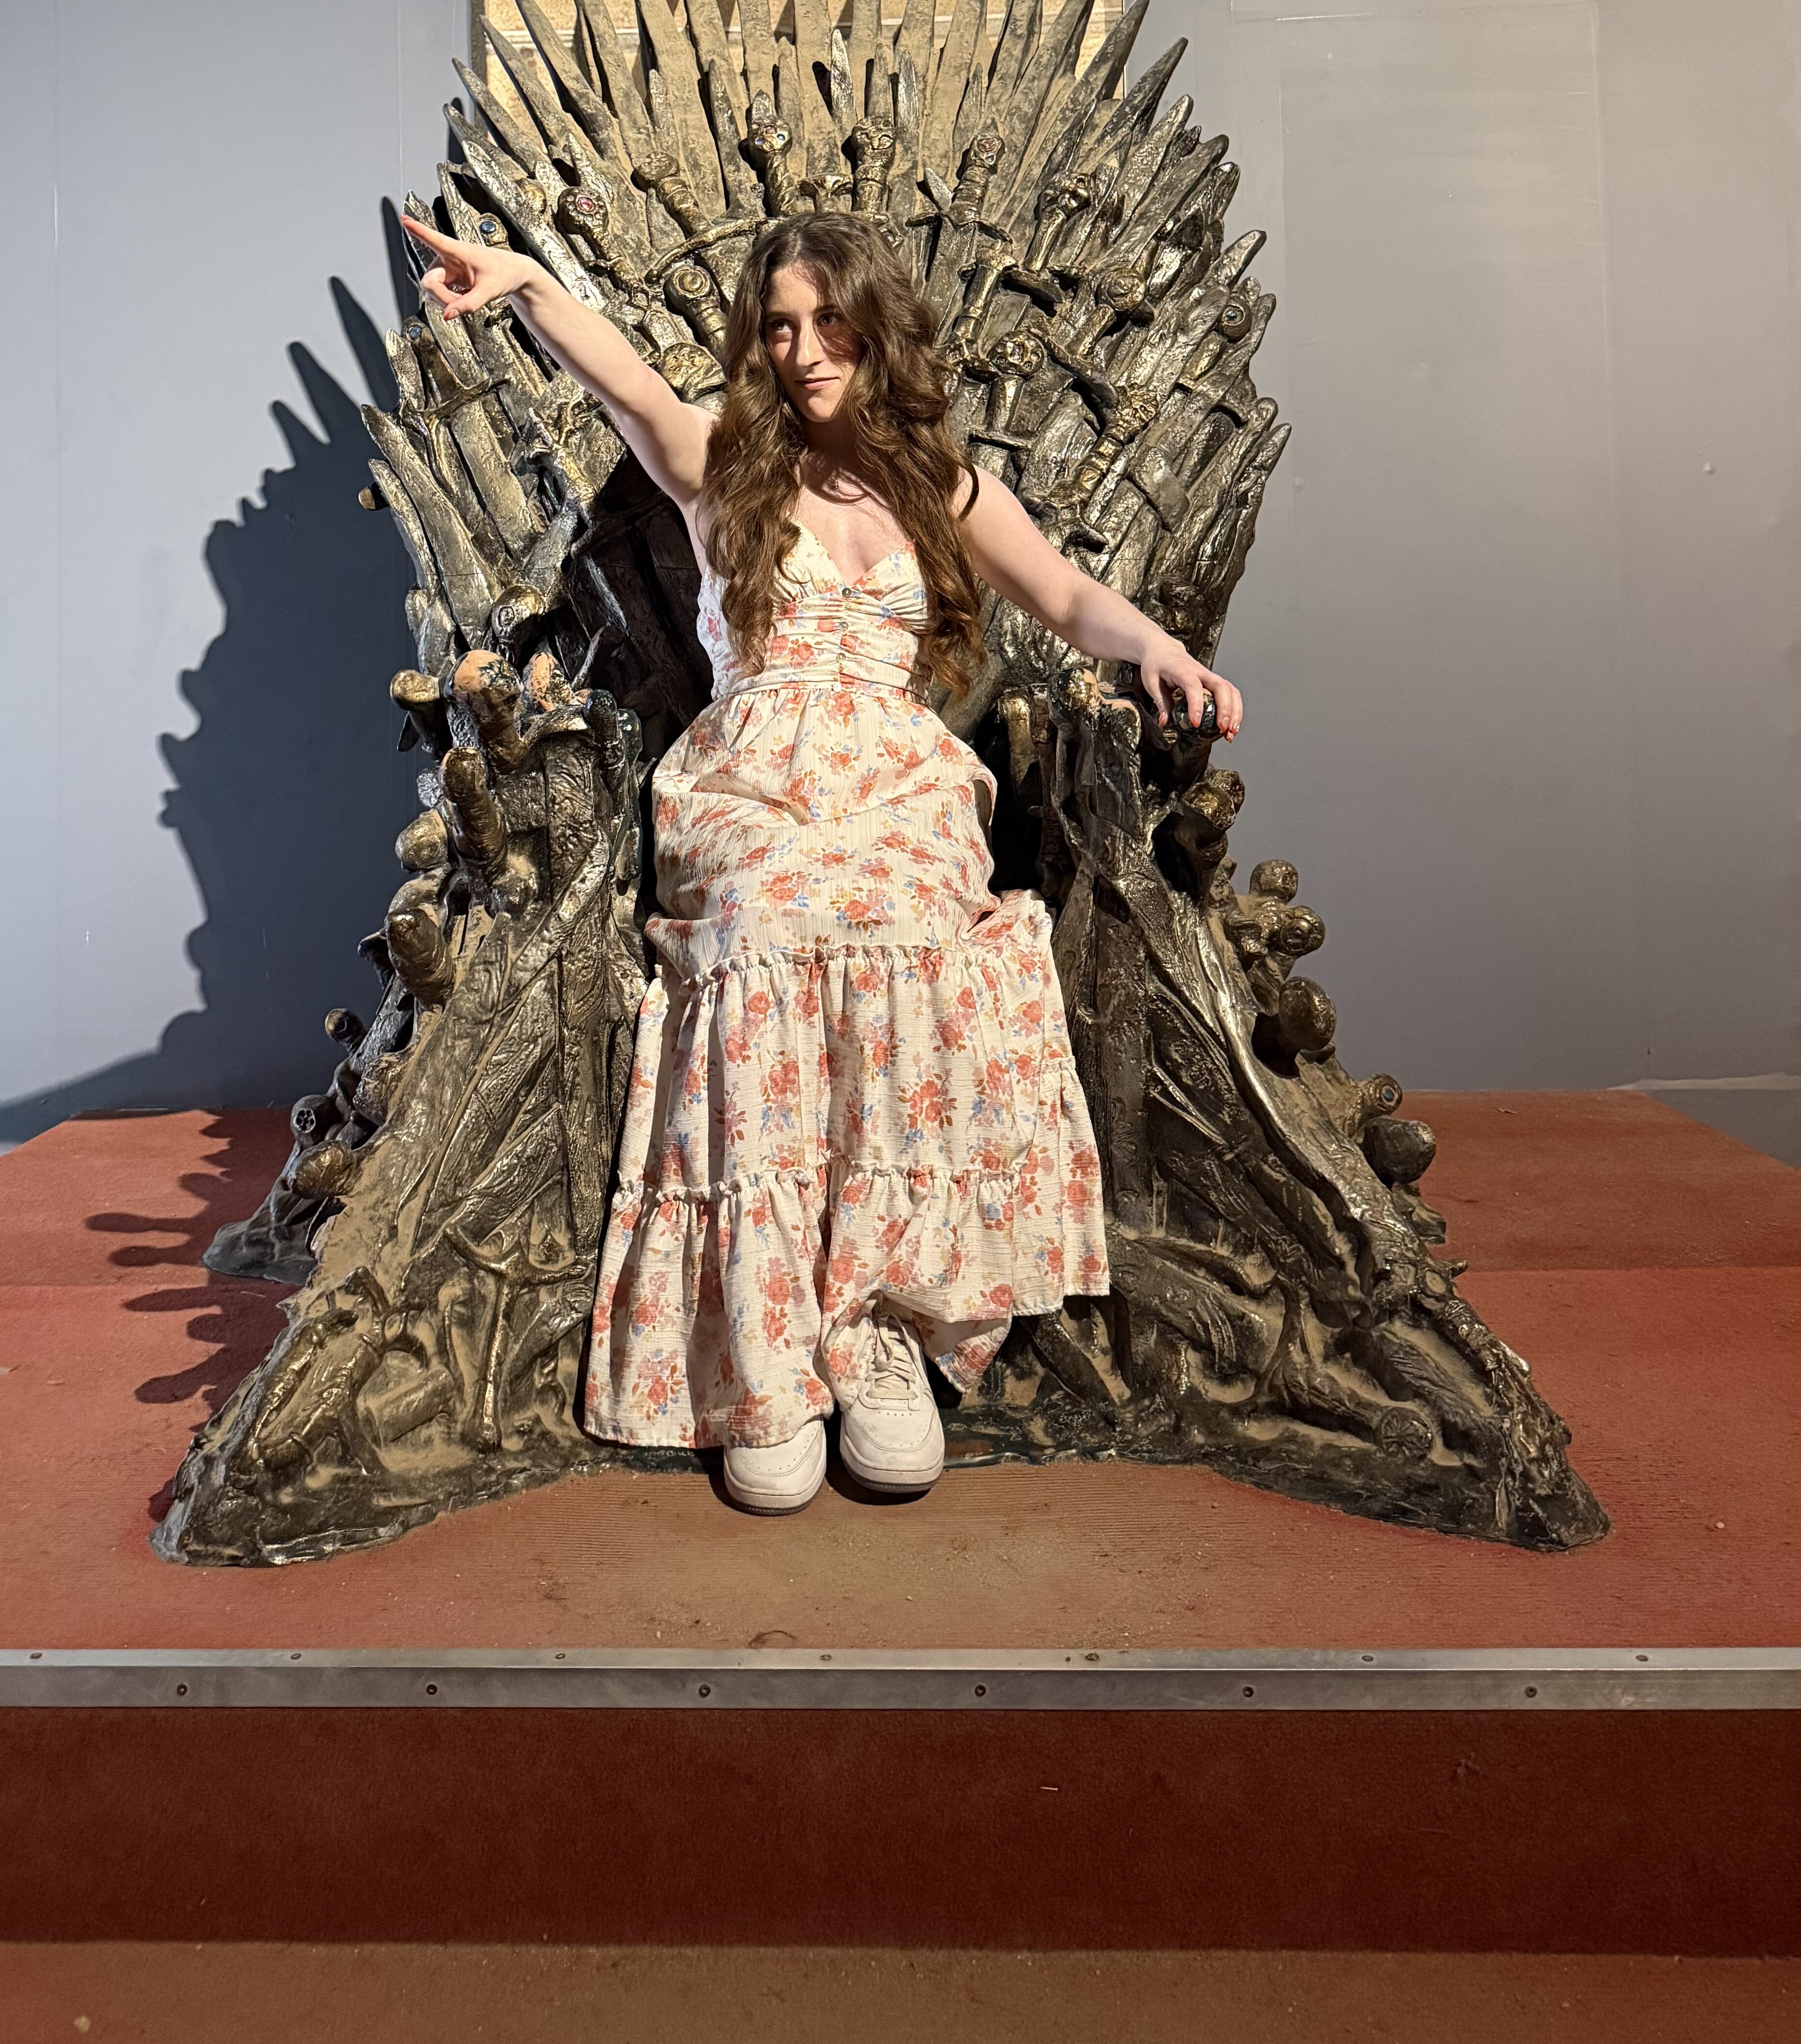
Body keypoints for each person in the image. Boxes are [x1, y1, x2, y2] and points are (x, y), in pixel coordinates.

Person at [403, 207, 1242, 1515]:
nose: (804, 351)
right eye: (780, 327)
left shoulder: (943, 490)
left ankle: (883, 1327)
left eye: (830, 322)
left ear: (877, 328)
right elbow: (628, 382)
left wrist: (1160, 651)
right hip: (753, 783)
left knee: (908, 927)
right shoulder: (721, 465)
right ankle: (769, 1350)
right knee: (767, 927)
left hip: (897, 783)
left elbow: (1069, 597)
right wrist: (523, 286)